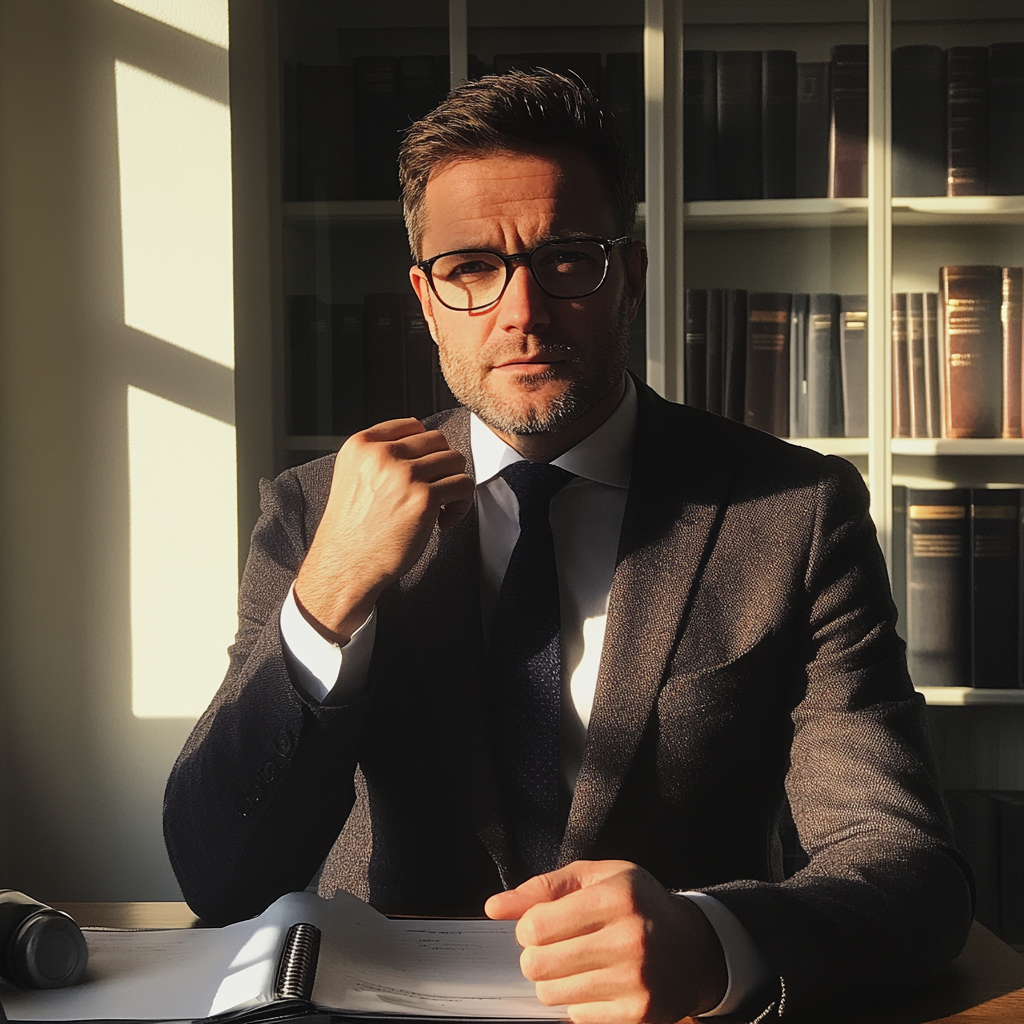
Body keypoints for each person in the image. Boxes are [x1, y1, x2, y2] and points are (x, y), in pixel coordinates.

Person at [163, 71, 972, 1023]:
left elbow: (909, 871)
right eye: (472, 269)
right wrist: (332, 588)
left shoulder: (795, 513)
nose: (522, 312)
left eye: (566, 259)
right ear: (426, 299)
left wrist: (715, 943)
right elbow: (218, 875)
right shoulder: (312, 513)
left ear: (628, 275)